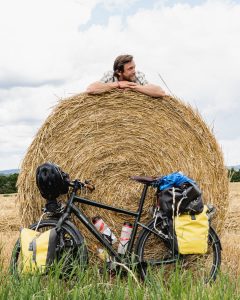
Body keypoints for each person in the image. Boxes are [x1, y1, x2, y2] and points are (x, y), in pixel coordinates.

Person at [86, 54, 166, 97]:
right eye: (130, 68)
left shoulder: (137, 76)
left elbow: (160, 92)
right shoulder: (110, 75)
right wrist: (118, 84)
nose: (134, 71)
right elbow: (91, 89)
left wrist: (134, 87)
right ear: (119, 72)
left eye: (134, 67)